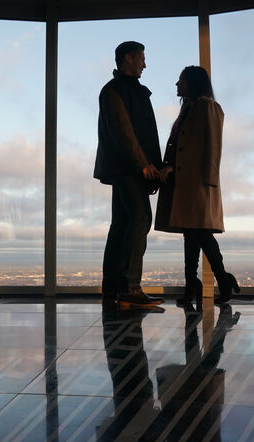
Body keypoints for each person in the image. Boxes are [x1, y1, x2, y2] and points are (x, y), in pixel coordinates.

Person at [155, 65, 240, 308]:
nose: (176, 84)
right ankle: (195, 285)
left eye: (180, 80)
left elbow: (214, 146)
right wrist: (169, 166)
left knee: (200, 232)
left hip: (200, 183)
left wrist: (210, 180)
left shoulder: (208, 107)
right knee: (191, 234)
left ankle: (220, 280)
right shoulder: (188, 108)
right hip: (185, 183)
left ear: (192, 82)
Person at [94, 41, 163, 306]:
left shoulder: (124, 90)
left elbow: (138, 134)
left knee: (122, 224)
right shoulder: (116, 91)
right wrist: (143, 165)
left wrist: (150, 166)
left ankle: (113, 288)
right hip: (127, 169)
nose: (145, 64)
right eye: (141, 59)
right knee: (140, 219)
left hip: (127, 168)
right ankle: (129, 288)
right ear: (128, 58)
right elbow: (123, 133)